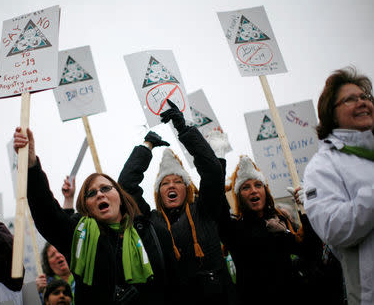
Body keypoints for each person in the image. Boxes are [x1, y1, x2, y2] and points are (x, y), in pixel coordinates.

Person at [13, 126, 176, 304]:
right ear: (87, 207)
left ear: (120, 197)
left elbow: (176, 286)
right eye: (91, 194)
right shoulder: (78, 235)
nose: (99, 194)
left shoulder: (152, 232)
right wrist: (31, 166)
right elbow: (47, 215)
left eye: (105, 188)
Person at [118, 100, 231, 304]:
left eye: (178, 181)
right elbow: (125, 186)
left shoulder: (205, 209)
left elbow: (213, 170)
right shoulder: (151, 221)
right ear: (158, 193)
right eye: (165, 183)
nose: (171, 186)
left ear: (186, 188)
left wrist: (184, 129)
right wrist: (147, 146)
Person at [302, 66, 373, 305]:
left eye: (365, 97)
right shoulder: (322, 166)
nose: (362, 103)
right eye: (351, 100)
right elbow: (333, 228)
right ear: (331, 113)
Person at [219, 155, 312, 305]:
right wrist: (219, 161)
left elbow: (308, 251)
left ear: (265, 191)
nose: (253, 191)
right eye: (246, 187)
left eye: (258, 185)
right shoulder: (233, 229)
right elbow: (216, 203)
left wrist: (307, 210)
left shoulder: (279, 220)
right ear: (239, 196)